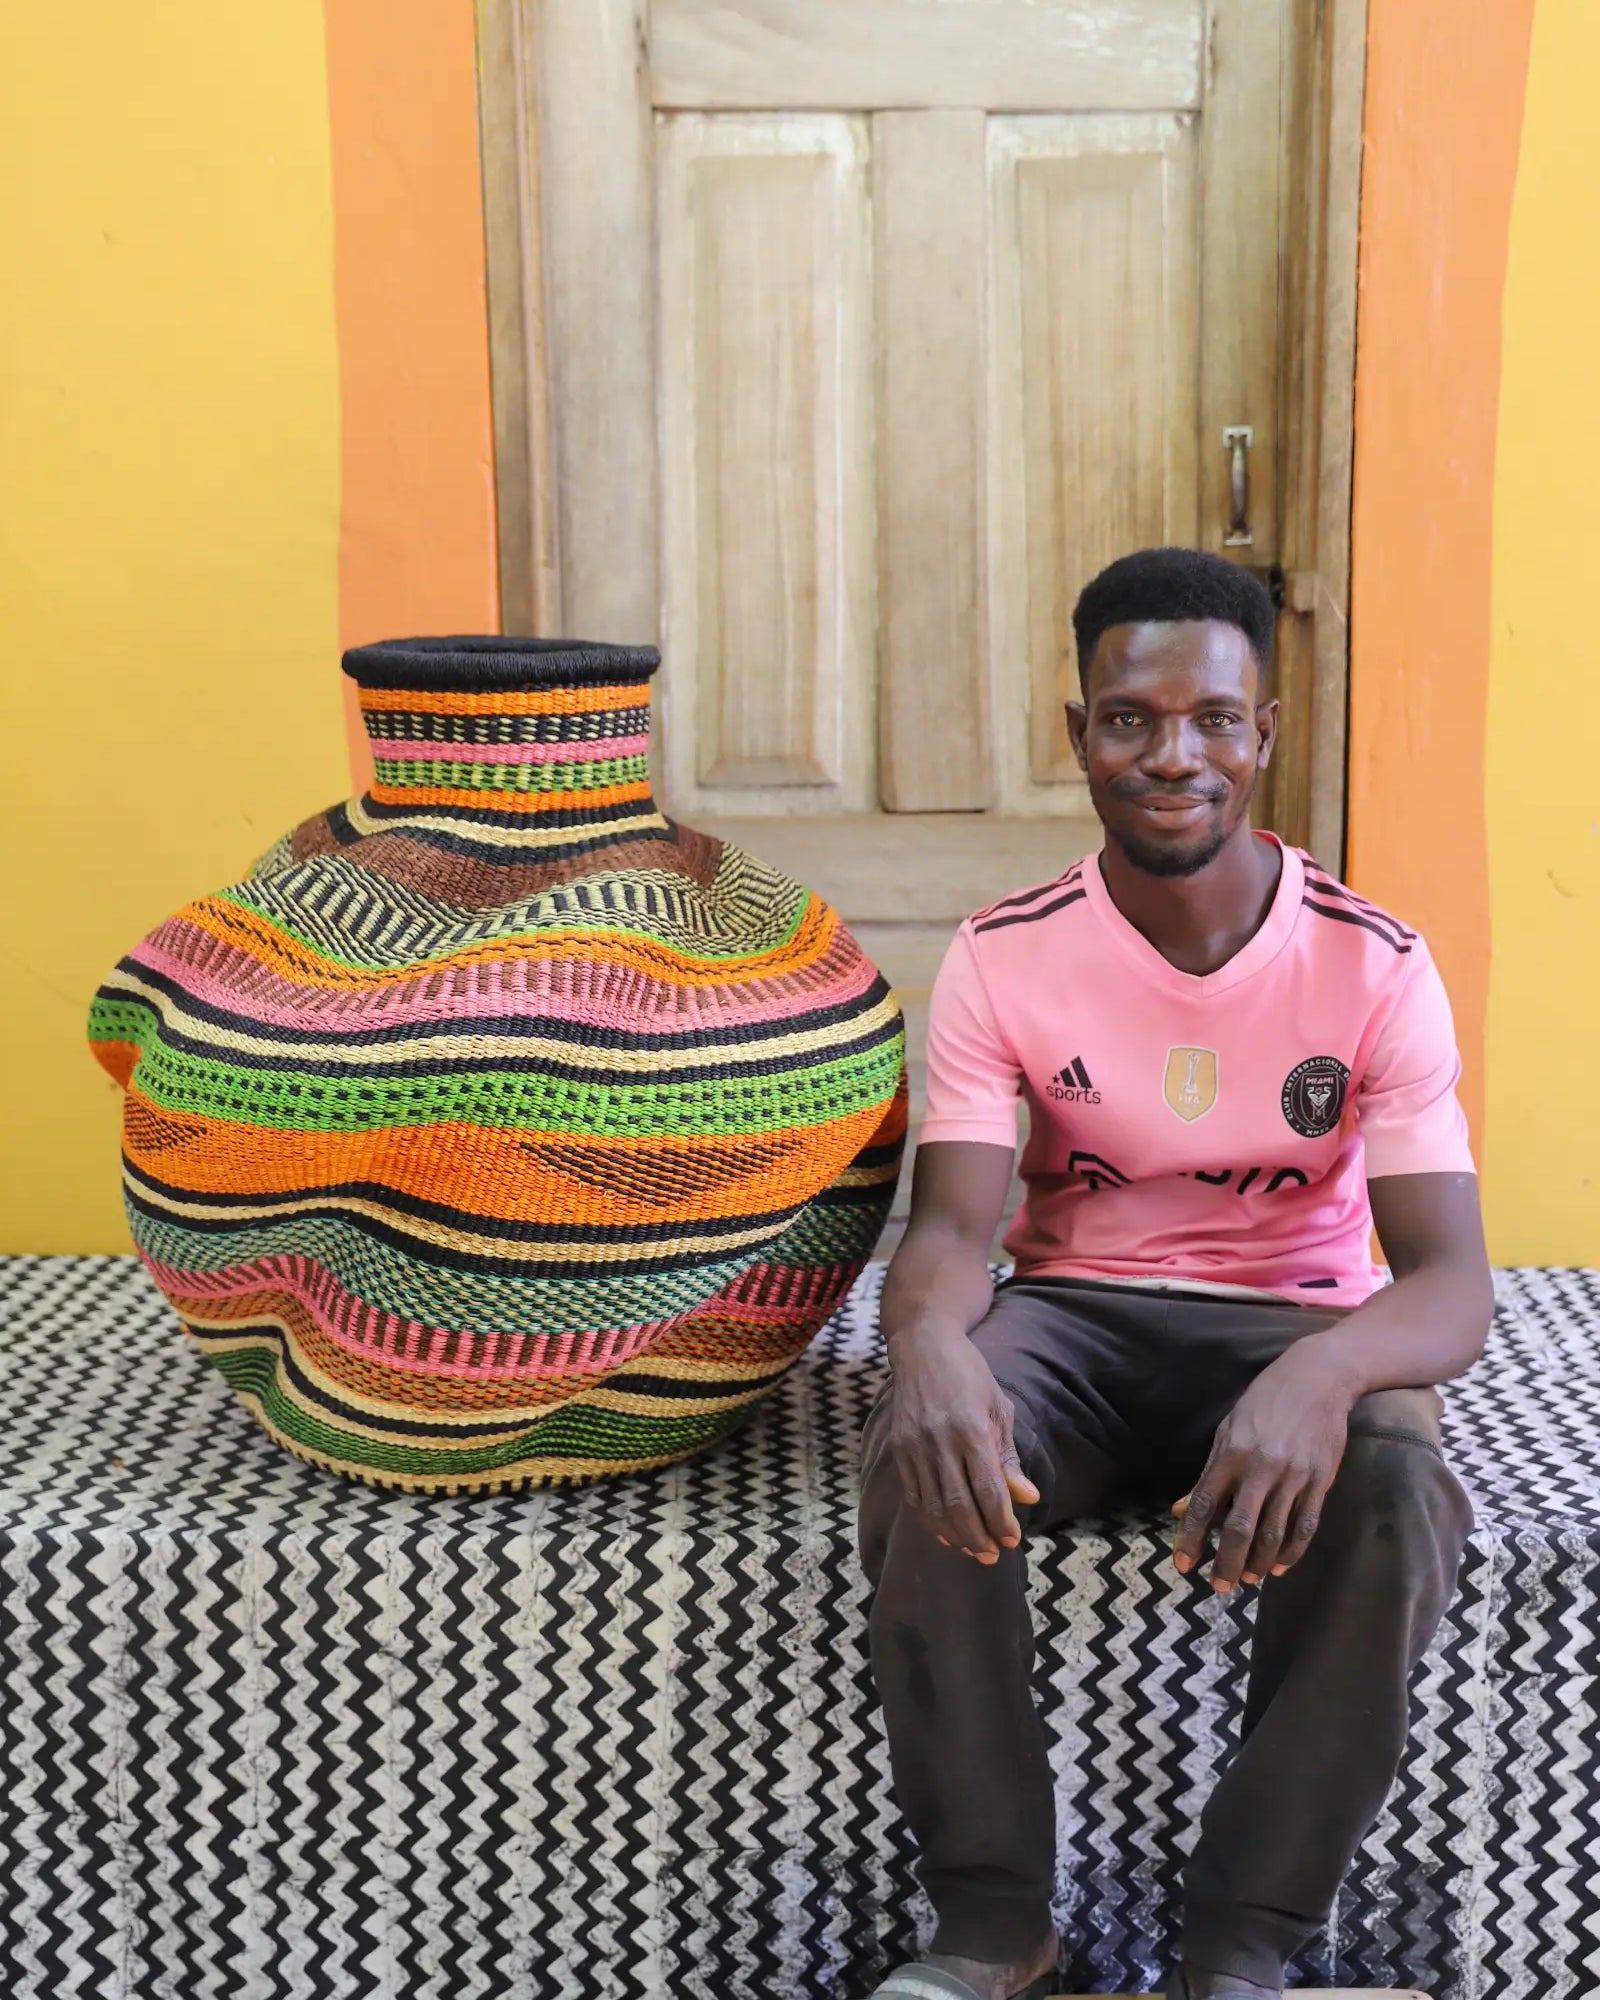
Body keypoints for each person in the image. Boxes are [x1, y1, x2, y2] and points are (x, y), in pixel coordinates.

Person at [858, 548, 1489, 2000]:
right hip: (1076, 1321)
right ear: (1077, 734)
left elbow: (1452, 1285)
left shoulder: (1376, 967)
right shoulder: (1005, 956)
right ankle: (996, 1933)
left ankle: (1240, 1954)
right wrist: (926, 1348)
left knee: (1400, 1489)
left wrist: (1323, 1375)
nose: (1173, 755)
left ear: (1261, 733)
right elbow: (950, 1233)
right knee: (926, 1445)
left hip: (1291, 1322)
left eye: (1212, 719)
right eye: (1130, 719)